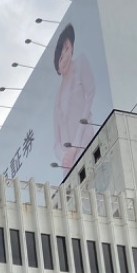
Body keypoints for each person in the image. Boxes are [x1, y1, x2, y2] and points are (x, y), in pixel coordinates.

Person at [52, 23, 95, 173]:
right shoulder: (56, 100)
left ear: (72, 50)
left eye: (67, 49)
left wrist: (75, 147)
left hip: (85, 143)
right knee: (73, 194)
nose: (64, 56)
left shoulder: (81, 64)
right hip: (68, 164)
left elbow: (90, 96)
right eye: (61, 54)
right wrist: (64, 155)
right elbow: (56, 141)